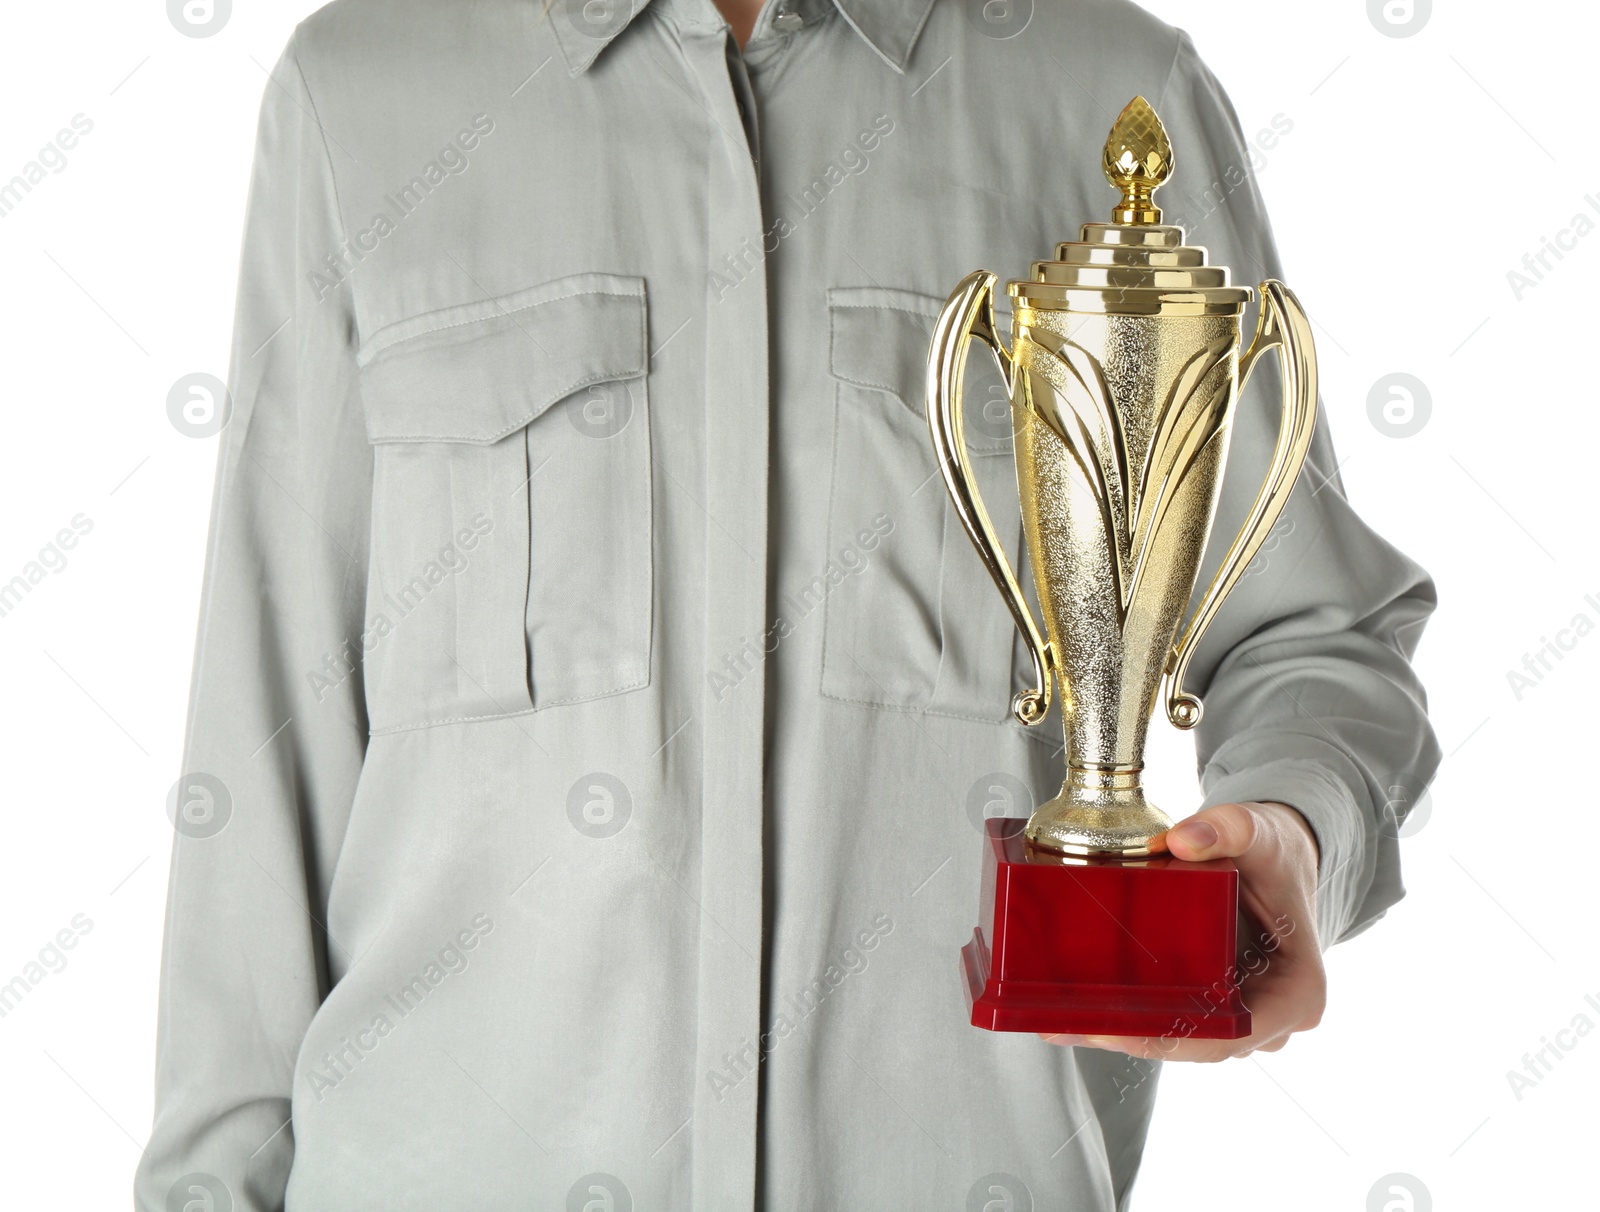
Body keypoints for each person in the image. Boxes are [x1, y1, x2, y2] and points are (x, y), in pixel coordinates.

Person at [134, 0, 1440, 1208]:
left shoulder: (1108, 92)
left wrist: (1294, 837)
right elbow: (269, 722)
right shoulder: (357, 98)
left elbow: (1315, 636)